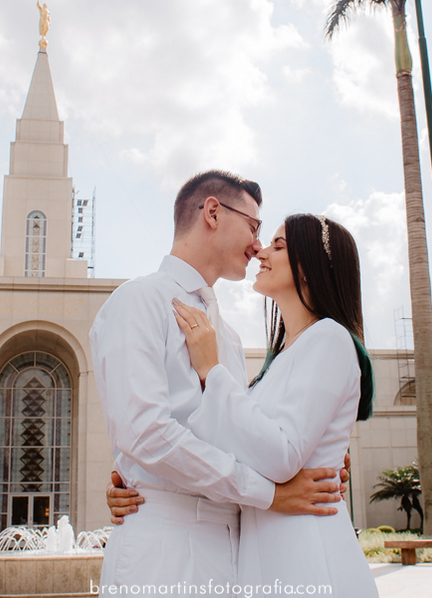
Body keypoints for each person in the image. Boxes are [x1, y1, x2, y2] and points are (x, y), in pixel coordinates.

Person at [89, 171, 347, 597]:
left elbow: (243, 434)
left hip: (240, 550)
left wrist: (321, 456)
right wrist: (266, 493)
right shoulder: (139, 300)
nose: (257, 245)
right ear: (212, 212)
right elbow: (146, 433)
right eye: (254, 226)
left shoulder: (226, 336)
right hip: (167, 549)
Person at [170, 213, 379, 596]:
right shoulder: (280, 360)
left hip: (305, 554)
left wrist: (211, 370)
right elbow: (241, 445)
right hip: (268, 552)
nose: (262, 252)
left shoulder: (330, 339)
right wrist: (142, 479)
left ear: (312, 266)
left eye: (279, 246)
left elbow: (282, 455)